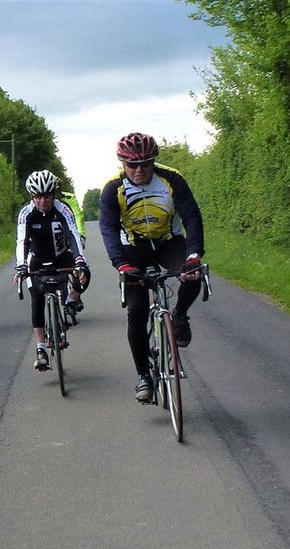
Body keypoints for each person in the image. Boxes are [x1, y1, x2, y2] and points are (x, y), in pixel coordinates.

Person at [98, 132, 205, 402]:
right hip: (133, 249)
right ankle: (143, 375)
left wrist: (193, 254)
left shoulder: (172, 179)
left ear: (154, 161)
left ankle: (179, 315)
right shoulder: (113, 188)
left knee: (193, 274)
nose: (139, 170)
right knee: (136, 311)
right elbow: (108, 229)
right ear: (122, 163)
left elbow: (191, 217)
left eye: (145, 163)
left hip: (169, 242)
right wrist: (120, 264)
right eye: (132, 165)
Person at [14, 169, 90, 371]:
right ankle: (40, 349)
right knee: (37, 299)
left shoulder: (63, 209)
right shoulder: (26, 213)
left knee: (85, 275)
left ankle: (69, 302)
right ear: (32, 196)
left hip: (61, 255)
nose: (43, 200)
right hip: (37, 259)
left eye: (47, 195)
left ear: (54, 194)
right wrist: (21, 265)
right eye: (38, 196)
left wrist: (79, 259)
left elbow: (73, 234)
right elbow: (22, 240)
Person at [59, 184, 86, 249]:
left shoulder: (69, 198)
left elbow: (78, 216)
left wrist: (81, 235)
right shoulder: (42, 200)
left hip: (67, 229)